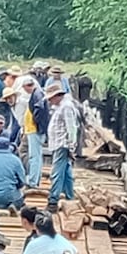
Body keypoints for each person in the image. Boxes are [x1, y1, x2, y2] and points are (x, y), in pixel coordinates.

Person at [45, 83, 77, 212]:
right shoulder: (61, 106)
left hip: (62, 144)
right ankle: (70, 197)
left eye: (51, 97)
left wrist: (71, 146)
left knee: (57, 172)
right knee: (66, 171)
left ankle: (53, 200)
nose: (49, 100)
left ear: (57, 96)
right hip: (59, 143)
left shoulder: (67, 107)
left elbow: (71, 128)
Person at [23, 76, 49, 188]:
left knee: (34, 156)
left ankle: (33, 180)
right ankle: (35, 179)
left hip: (34, 129)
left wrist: (35, 120)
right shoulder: (36, 93)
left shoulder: (37, 94)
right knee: (37, 156)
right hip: (33, 129)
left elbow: (39, 108)